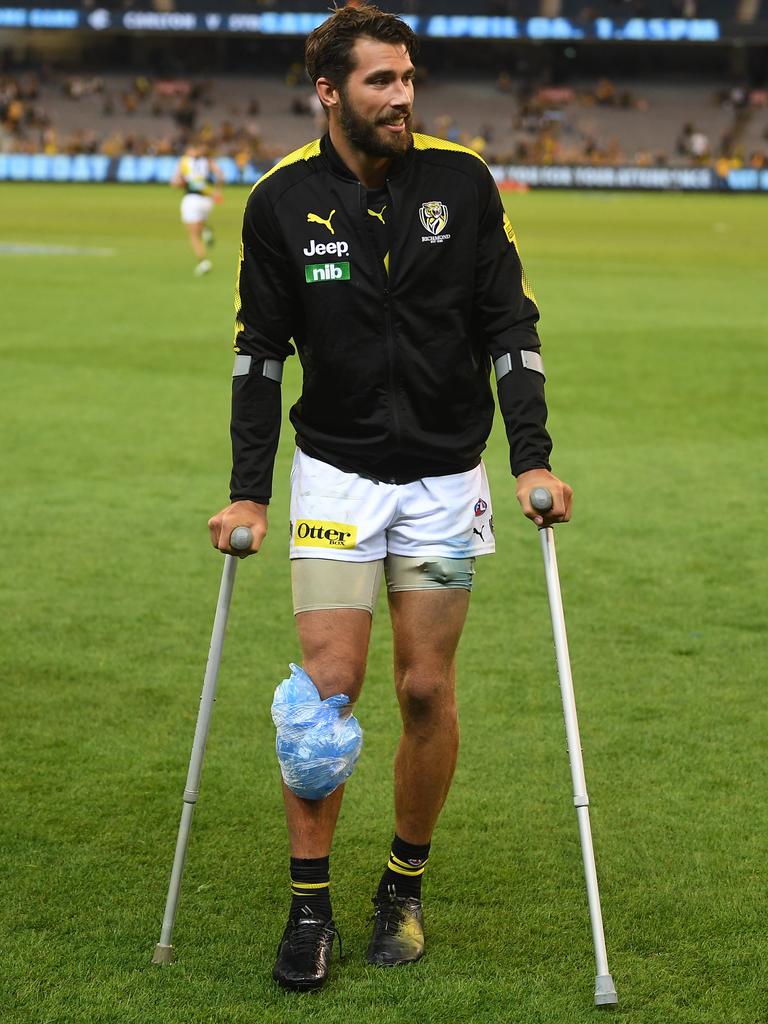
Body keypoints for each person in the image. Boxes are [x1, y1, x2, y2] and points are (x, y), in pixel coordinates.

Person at [207, 2, 572, 993]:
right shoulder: (280, 201)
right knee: (323, 700)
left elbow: (511, 325)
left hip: (447, 482)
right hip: (335, 474)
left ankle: (402, 886)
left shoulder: (462, 179)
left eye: (407, 78)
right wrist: (249, 493)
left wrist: (530, 459)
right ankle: (309, 903)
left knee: (422, 687)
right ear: (328, 90)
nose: (402, 95)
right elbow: (258, 358)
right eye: (380, 80)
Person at [171, 141, 223, 276]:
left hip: (192, 199)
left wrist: (183, 182)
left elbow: (175, 182)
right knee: (198, 225)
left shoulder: (184, 162)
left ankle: (203, 262)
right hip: (207, 200)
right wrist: (217, 191)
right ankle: (206, 230)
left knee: (193, 235)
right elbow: (219, 172)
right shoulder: (207, 161)